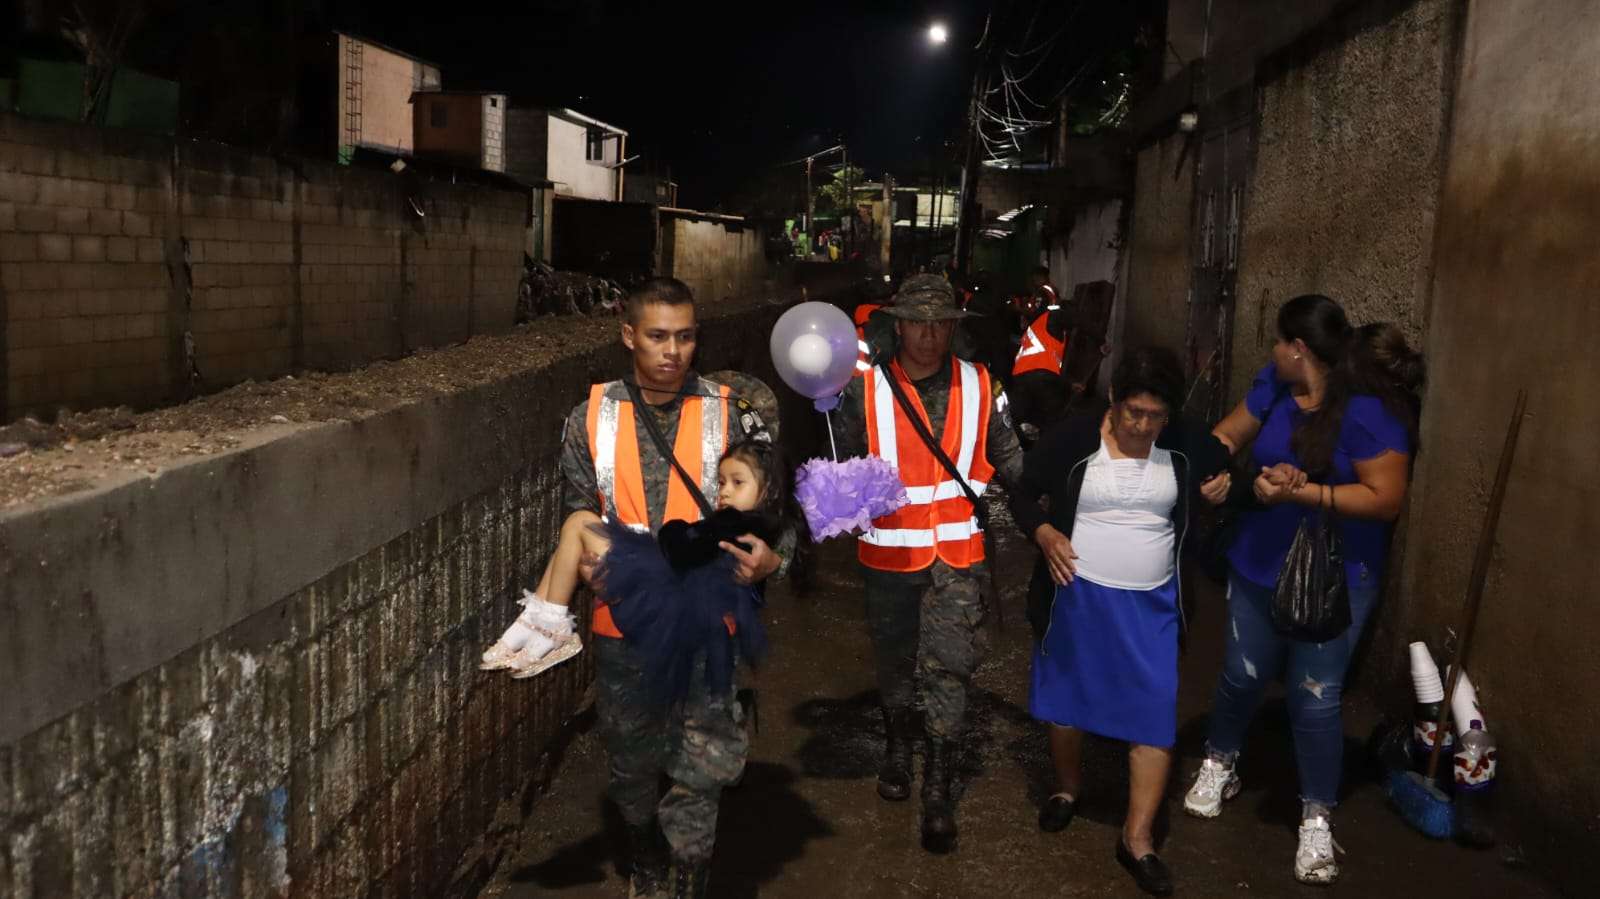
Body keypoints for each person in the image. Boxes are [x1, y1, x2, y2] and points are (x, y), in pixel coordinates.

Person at [555, 277, 788, 899]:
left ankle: (686, 876)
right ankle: (642, 844)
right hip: (626, 622)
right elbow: (577, 515)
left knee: (702, 763)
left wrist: (774, 560)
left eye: (685, 337)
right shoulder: (591, 418)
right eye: (657, 336)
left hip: (712, 619)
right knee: (632, 758)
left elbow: (775, 513)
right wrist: (587, 569)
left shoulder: (734, 410)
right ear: (628, 334)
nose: (672, 351)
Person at [1184, 295, 1421, 886]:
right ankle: (1221, 760)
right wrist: (1217, 473)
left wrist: (1304, 492)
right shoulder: (1274, 385)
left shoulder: (1369, 413)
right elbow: (1230, 433)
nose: (1271, 351)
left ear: (1300, 349)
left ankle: (1316, 813)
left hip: (1337, 575)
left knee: (1314, 696)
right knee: (1241, 673)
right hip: (1260, 560)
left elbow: (1386, 500)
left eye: (1278, 342)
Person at [1007, 347, 1228, 897]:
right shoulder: (1075, 436)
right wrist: (1043, 532)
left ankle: (1138, 838)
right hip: (1074, 596)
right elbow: (1019, 493)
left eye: (1155, 416)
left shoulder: (1185, 439)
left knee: (1153, 712)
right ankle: (1067, 788)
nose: (1143, 425)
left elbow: (1233, 480)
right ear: (1113, 400)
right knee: (1065, 704)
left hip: (1152, 604)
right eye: (1134, 412)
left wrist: (1226, 489)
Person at [829, 274, 1025, 854]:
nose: (930, 335)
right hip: (889, 552)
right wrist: (828, 416)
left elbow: (1011, 458)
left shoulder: (981, 384)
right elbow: (838, 464)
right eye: (918, 322)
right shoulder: (865, 390)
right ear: (898, 325)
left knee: (950, 664)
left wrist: (1049, 510)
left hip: (956, 555)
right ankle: (896, 746)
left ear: (954, 328)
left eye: (942, 323)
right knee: (894, 657)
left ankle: (937, 783)